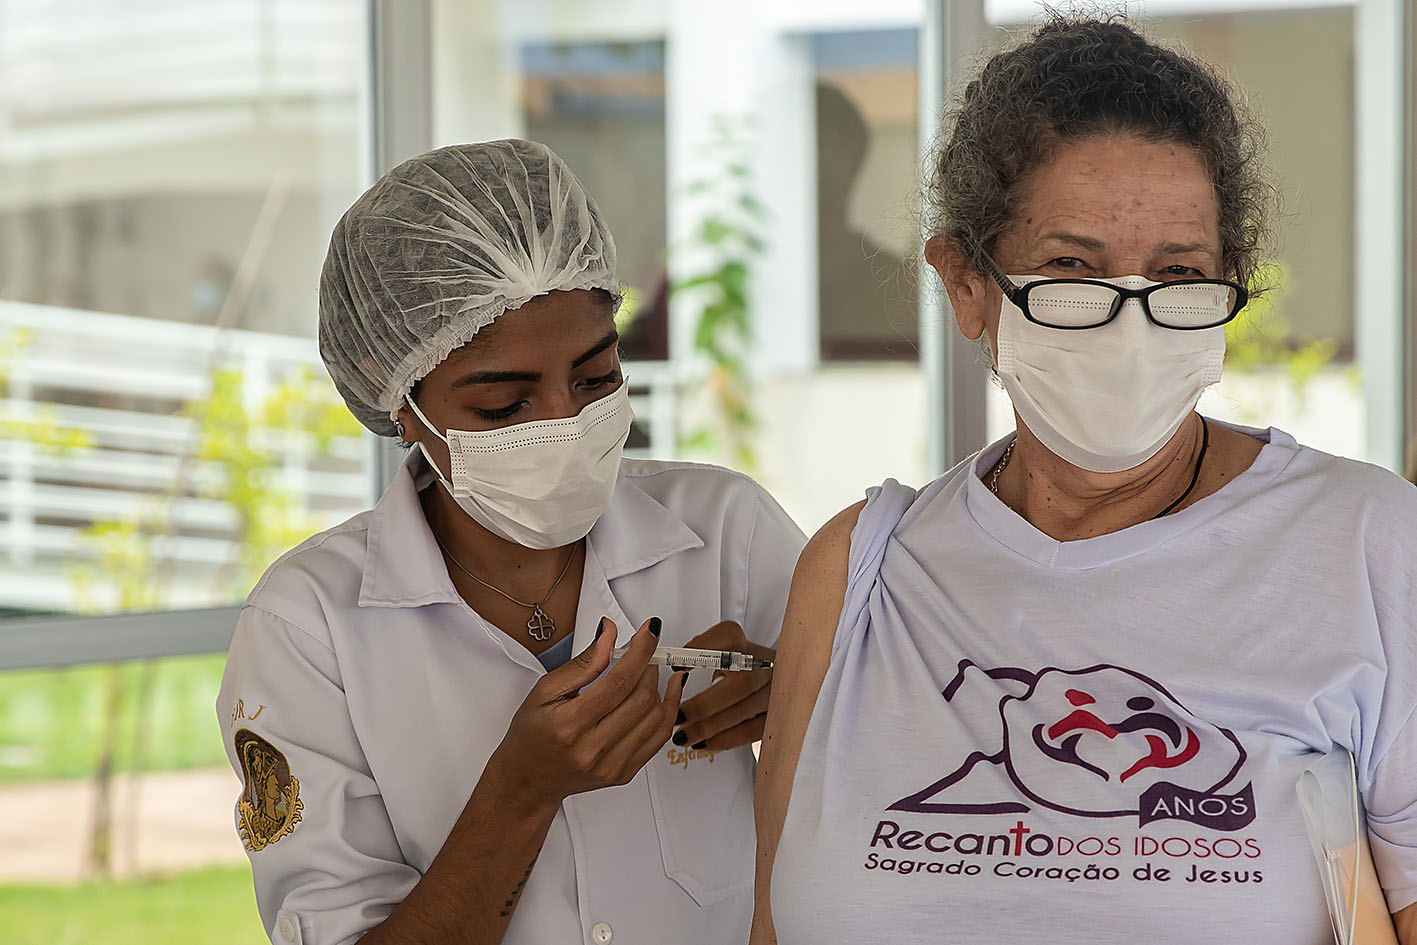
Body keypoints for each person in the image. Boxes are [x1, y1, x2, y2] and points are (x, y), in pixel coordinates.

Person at [751, 17, 1417, 944]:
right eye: (1071, 268)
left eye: (1178, 273)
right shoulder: (859, 572)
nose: (1130, 327)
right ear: (966, 284)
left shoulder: (1369, 549)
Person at [217, 139, 805, 945]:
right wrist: (520, 791)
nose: (565, 422)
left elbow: (900, 773)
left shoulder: (725, 531)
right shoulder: (309, 627)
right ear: (397, 399)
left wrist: (803, 700)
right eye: (503, 406)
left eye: (596, 377)